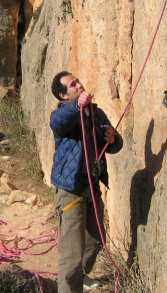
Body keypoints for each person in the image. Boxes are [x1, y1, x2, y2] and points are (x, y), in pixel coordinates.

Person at [50, 71, 124, 293]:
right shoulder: (63, 113)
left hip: (91, 188)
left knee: (96, 239)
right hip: (70, 190)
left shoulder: (96, 113)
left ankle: (79, 278)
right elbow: (58, 123)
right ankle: (69, 287)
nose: (79, 85)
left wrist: (114, 139)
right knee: (72, 254)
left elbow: (114, 145)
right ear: (64, 95)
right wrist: (77, 106)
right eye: (73, 85)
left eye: (78, 81)